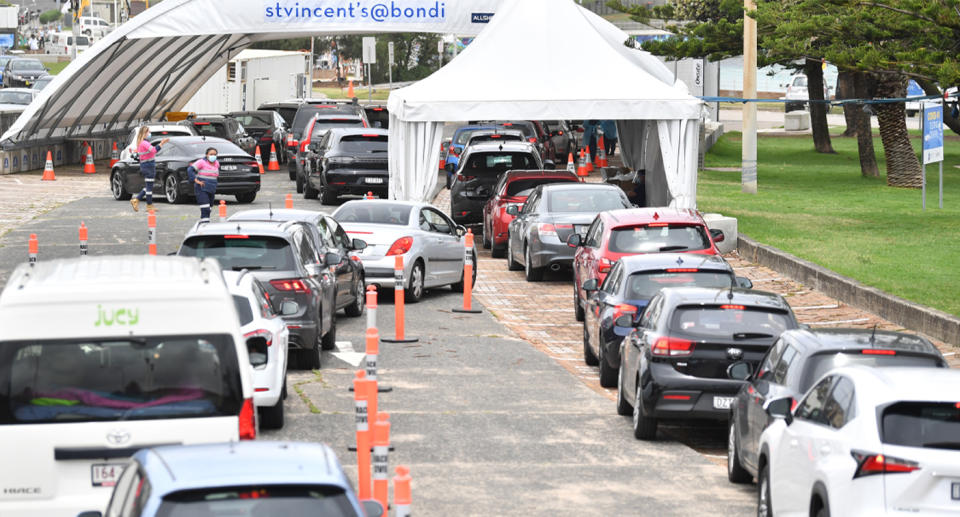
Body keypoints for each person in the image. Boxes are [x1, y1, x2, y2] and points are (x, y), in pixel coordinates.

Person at [128, 127, 169, 212]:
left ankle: (137, 200)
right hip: (149, 166)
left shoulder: (141, 143)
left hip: (145, 166)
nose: (150, 133)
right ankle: (148, 205)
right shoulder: (144, 143)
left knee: (148, 186)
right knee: (149, 187)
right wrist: (162, 143)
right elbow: (154, 150)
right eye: (149, 132)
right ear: (145, 133)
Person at [187, 147, 220, 222]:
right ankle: (204, 224)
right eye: (211, 154)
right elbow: (190, 169)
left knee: (209, 208)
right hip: (202, 188)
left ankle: (204, 222)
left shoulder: (217, 163)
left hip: (211, 188)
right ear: (206, 155)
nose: (213, 156)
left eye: (215, 154)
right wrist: (196, 180)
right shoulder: (201, 162)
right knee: (205, 208)